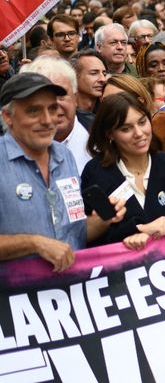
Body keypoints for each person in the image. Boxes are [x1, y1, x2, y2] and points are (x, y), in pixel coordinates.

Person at [0, 73, 124, 272]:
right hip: (15, 298)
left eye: (52, 108)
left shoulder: (65, 156)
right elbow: (47, 244)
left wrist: (103, 220)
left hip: (68, 294)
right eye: (34, 111)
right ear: (8, 116)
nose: (48, 120)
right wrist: (34, 243)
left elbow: (73, 234)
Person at [82, 92, 165, 249]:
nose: (139, 133)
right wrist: (137, 230)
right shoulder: (95, 173)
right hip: (122, 271)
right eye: (126, 129)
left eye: (142, 122)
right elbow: (91, 239)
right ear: (110, 134)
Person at [20, 56, 92, 174]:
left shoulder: (102, 138)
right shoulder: (9, 151)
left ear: (75, 97)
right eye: (41, 98)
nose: (54, 105)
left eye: (61, 96)